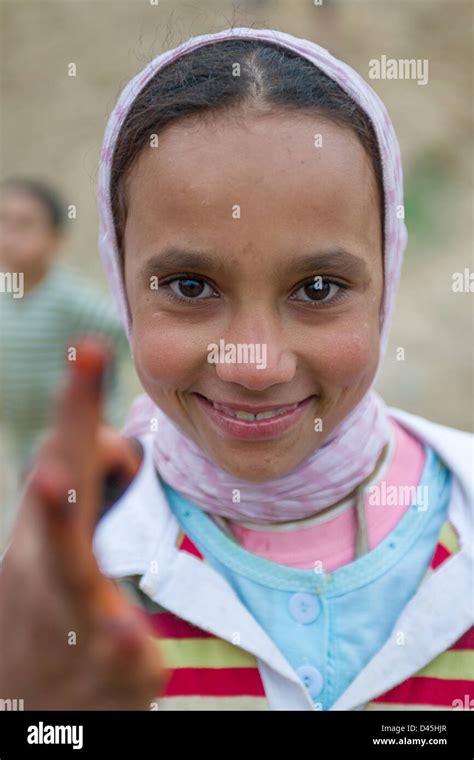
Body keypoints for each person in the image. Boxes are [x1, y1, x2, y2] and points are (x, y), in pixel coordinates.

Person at [0, 27, 472, 712]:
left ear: (388, 277)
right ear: (120, 277)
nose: (256, 364)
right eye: (191, 286)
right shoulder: (72, 572)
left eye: (317, 288)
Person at [0, 178, 129, 544]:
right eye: (4, 222)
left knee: (71, 528)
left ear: (55, 239)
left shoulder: (69, 299)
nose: (9, 235)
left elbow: (127, 337)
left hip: (71, 441)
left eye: (24, 225)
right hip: (23, 437)